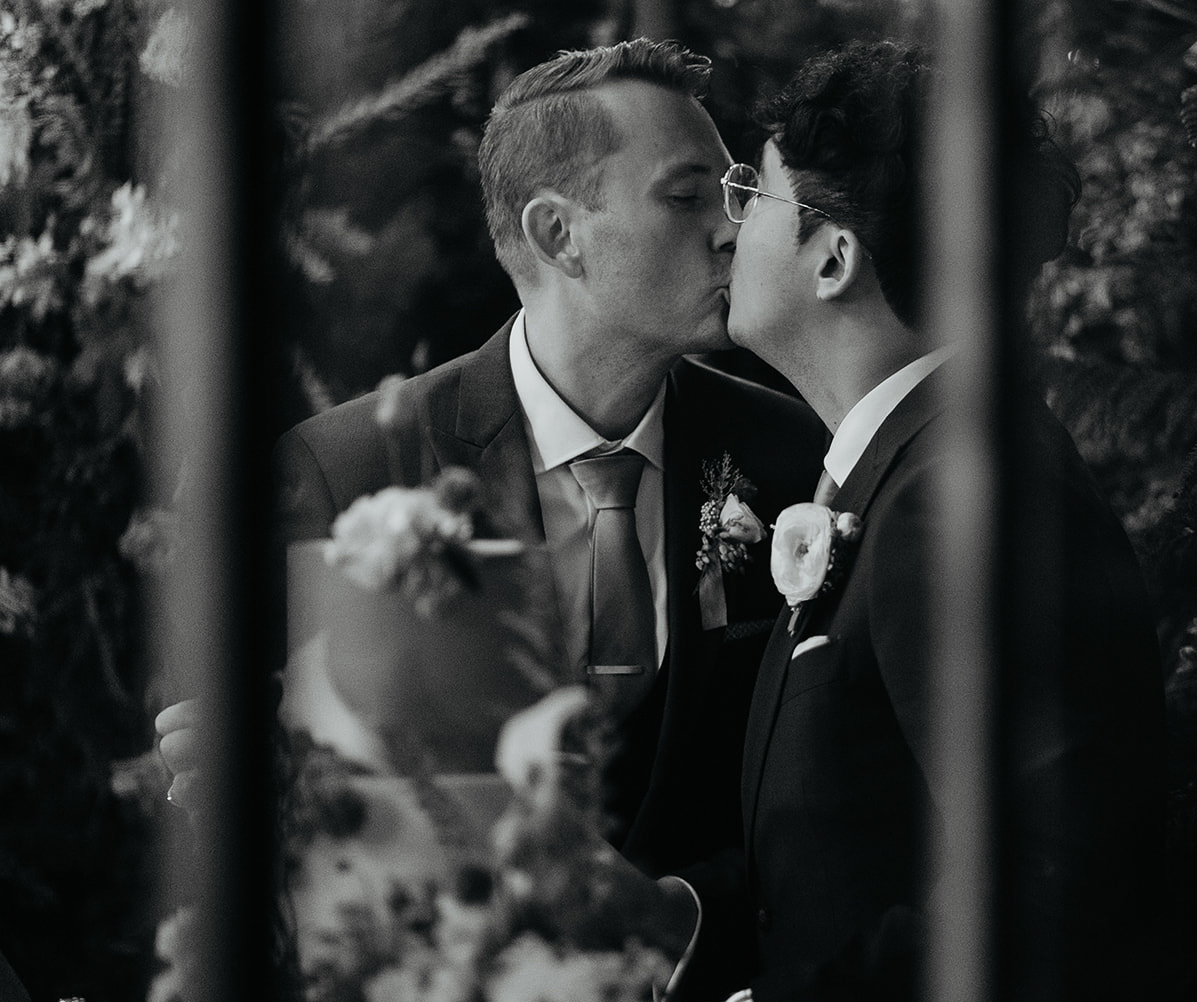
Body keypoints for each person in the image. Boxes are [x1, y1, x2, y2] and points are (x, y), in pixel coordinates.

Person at [613, 40, 1168, 1002]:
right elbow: (869, 826)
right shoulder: (898, 472)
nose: (726, 231)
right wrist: (674, 907)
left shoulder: (960, 495)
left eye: (751, 194)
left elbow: (1055, 868)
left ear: (833, 257)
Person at [157, 39, 828, 879]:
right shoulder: (348, 468)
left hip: (716, 993)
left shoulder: (794, 454)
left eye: (732, 196)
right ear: (558, 234)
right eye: (688, 196)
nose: (733, 232)